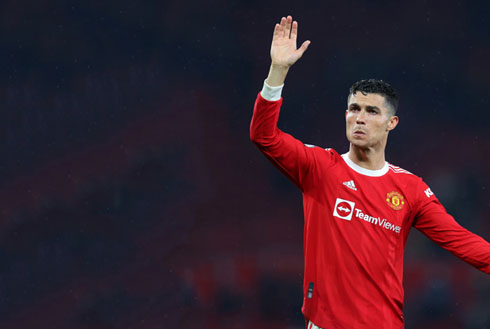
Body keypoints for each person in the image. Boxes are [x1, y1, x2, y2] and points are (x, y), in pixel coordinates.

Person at [249, 15, 490, 329]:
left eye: (371, 111)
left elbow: (462, 241)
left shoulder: (410, 188)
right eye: (354, 109)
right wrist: (277, 71)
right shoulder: (320, 167)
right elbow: (263, 135)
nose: (359, 118)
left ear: (392, 123)